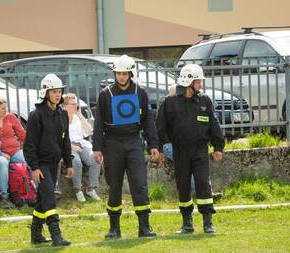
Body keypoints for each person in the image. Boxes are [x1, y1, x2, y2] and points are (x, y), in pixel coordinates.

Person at [92, 54, 160, 239]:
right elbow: (98, 123)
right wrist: (97, 148)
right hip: (112, 143)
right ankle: (114, 228)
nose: (121, 77)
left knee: (139, 183)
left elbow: (148, 121)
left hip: (134, 142)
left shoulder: (140, 92)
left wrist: (153, 144)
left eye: (124, 73)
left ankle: (144, 227)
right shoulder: (105, 94)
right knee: (114, 184)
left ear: (130, 73)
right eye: (118, 73)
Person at [156, 64, 225, 234]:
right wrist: (159, 148)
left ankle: (208, 223)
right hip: (179, 151)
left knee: (203, 184)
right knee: (183, 186)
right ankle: (187, 223)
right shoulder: (169, 103)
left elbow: (214, 125)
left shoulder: (204, 101)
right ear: (188, 82)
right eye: (198, 81)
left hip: (200, 150)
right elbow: (160, 127)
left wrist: (218, 146)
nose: (200, 85)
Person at [23, 73, 74, 247]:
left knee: (42, 198)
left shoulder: (62, 114)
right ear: (45, 93)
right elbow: (29, 145)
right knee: (50, 197)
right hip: (41, 164)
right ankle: (56, 234)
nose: (58, 95)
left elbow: (65, 140)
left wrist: (69, 163)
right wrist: (35, 167)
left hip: (55, 163)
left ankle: (36, 233)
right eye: (54, 92)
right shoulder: (36, 115)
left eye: (59, 91)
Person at [62, 93, 101, 202]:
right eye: (73, 104)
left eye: (76, 104)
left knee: (96, 159)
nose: (76, 106)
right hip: (67, 146)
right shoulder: (60, 119)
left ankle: (91, 189)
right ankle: (78, 190)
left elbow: (89, 131)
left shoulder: (77, 118)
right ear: (65, 106)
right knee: (76, 162)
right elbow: (58, 139)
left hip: (81, 144)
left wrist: (80, 115)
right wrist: (71, 147)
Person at [0, 96, 27, 208]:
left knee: (28, 161)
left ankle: (30, 193)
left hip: (15, 150)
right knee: (2, 163)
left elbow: (22, 134)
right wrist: (1, 154)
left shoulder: (10, 117)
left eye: (6, 108)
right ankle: (4, 197)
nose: (5, 111)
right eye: (2, 108)